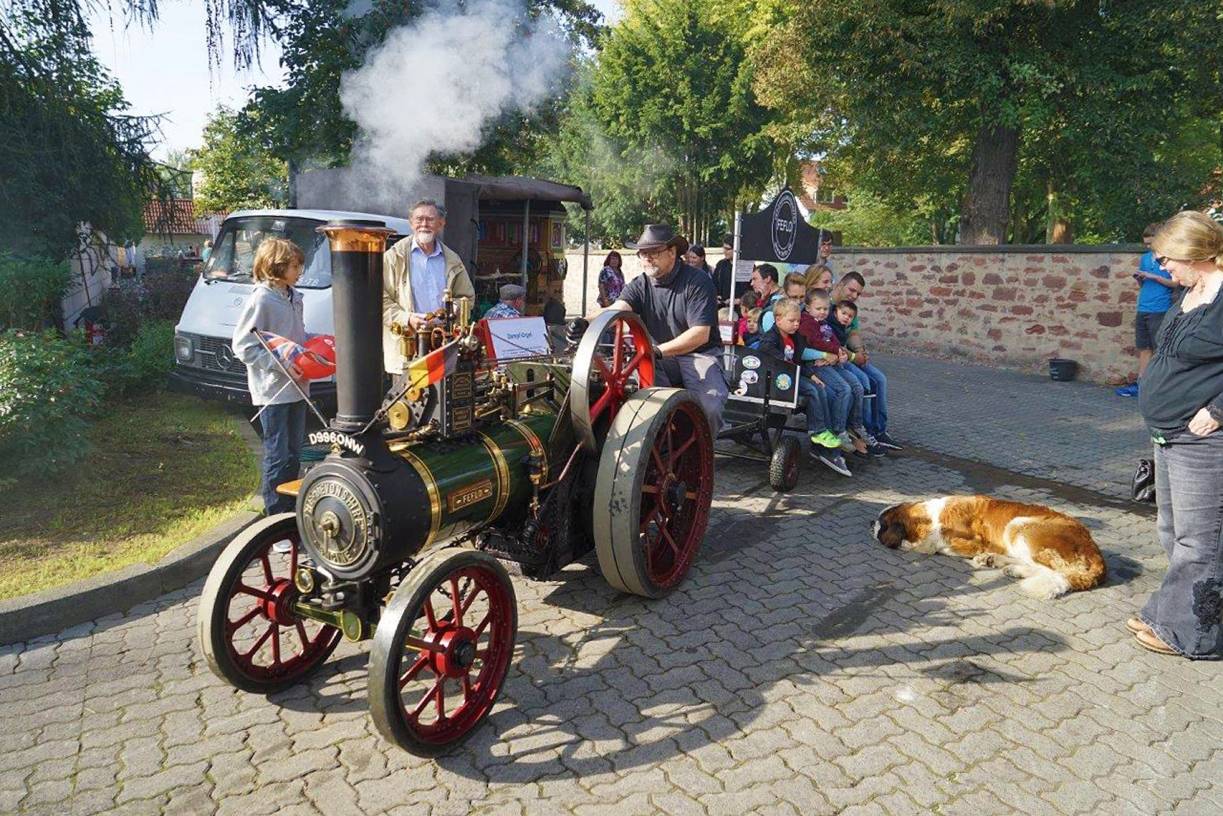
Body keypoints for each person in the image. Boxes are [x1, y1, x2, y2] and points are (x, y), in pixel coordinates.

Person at [1132, 211, 1223, 659]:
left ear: (1195, 253)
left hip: (1203, 440)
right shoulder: (1191, 291)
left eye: (1167, 258)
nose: (1162, 266)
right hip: (1167, 432)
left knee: (1201, 541)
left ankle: (1197, 635)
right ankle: (1170, 612)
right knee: (1171, 531)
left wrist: (1219, 410)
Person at [600, 224, 728, 433]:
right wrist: (585, 322)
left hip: (699, 355)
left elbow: (700, 334)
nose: (647, 258)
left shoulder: (698, 282)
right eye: (643, 253)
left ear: (672, 252)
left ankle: (701, 459)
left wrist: (658, 351)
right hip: (658, 358)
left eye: (654, 252)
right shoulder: (640, 284)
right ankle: (659, 447)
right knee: (643, 403)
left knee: (709, 408)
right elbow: (617, 310)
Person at [231, 238, 309, 517]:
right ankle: (274, 519)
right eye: (295, 265)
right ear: (276, 266)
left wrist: (317, 347)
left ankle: (289, 514)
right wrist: (281, 367)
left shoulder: (294, 296)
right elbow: (243, 345)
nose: (300, 270)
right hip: (273, 391)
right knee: (277, 456)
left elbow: (294, 337)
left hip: (299, 388)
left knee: (294, 454)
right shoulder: (262, 298)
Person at [757, 298, 851, 476]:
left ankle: (822, 431)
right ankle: (817, 429)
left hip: (793, 375)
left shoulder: (797, 338)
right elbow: (775, 357)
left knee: (819, 387)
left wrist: (812, 375)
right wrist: (797, 370)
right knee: (811, 390)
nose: (796, 325)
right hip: (778, 381)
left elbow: (798, 361)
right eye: (791, 321)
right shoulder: (770, 339)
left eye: (798, 321)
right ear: (778, 320)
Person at [382, 199, 475, 376]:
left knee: (442, 401)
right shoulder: (394, 257)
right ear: (411, 223)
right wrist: (406, 318)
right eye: (419, 219)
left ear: (441, 223)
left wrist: (455, 308)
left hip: (443, 346)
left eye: (430, 219)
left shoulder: (452, 259)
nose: (424, 224)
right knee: (409, 402)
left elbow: (466, 297)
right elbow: (378, 298)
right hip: (407, 347)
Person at [800, 288, 884, 457]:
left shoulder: (823, 323)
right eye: (819, 309)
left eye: (825, 309)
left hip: (833, 362)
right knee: (843, 389)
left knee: (857, 386)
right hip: (817, 365)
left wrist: (841, 352)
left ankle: (856, 425)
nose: (823, 312)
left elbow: (834, 341)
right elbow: (816, 342)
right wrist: (836, 351)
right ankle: (839, 430)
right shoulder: (807, 322)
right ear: (808, 308)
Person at [831, 271, 902, 450]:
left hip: (850, 354)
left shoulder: (851, 308)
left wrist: (860, 352)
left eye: (858, 294)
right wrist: (855, 356)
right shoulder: (829, 307)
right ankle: (863, 428)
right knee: (864, 382)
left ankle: (879, 430)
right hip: (838, 356)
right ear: (840, 285)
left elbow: (853, 333)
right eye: (852, 290)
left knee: (880, 379)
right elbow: (831, 343)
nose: (854, 296)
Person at [1117, 222, 1176, 397]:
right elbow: (1143, 283)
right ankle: (1141, 384)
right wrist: (1140, 278)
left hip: (1161, 308)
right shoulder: (1144, 258)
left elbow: (1175, 283)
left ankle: (1160, 386)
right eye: (1146, 243)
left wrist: (1154, 276)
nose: (1148, 246)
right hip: (1144, 306)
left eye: (1151, 243)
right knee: (1144, 348)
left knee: (1160, 348)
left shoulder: (1169, 258)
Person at [751, 264, 784, 333]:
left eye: (755, 279)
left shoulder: (781, 300)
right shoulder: (764, 298)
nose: (752, 283)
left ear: (768, 279)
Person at [712, 234, 735, 304]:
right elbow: (714, 283)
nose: (724, 251)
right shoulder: (721, 264)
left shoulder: (746, 266)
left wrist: (739, 300)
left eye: (728, 249)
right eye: (724, 248)